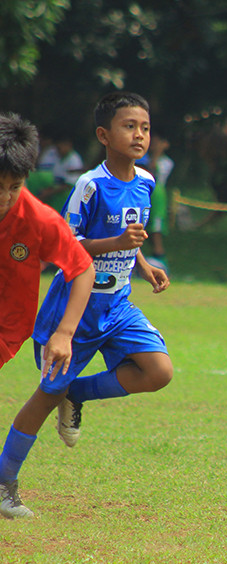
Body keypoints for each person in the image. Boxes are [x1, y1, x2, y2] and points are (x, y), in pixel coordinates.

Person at [0, 92, 172, 520]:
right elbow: (70, 246)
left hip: (117, 306)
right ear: (103, 135)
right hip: (74, 311)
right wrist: (116, 244)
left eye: (145, 127)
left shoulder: (147, 181)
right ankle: (5, 481)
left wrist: (143, 264)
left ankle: (75, 392)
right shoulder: (89, 185)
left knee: (158, 372)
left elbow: (131, 237)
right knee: (44, 397)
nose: (139, 135)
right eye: (129, 126)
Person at [0, 112, 96, 518]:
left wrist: (65, 332)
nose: (5, 198)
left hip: (6, 326)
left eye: (14, 187)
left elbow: (82, 268)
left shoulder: (38, 219)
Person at [136, 132, 173, 272]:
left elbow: (153, 173)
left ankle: (161, 260)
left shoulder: (166, 162)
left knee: (156, 229)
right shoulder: (144, 157)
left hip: (157, 195)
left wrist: (157, 153)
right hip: (144, 194)